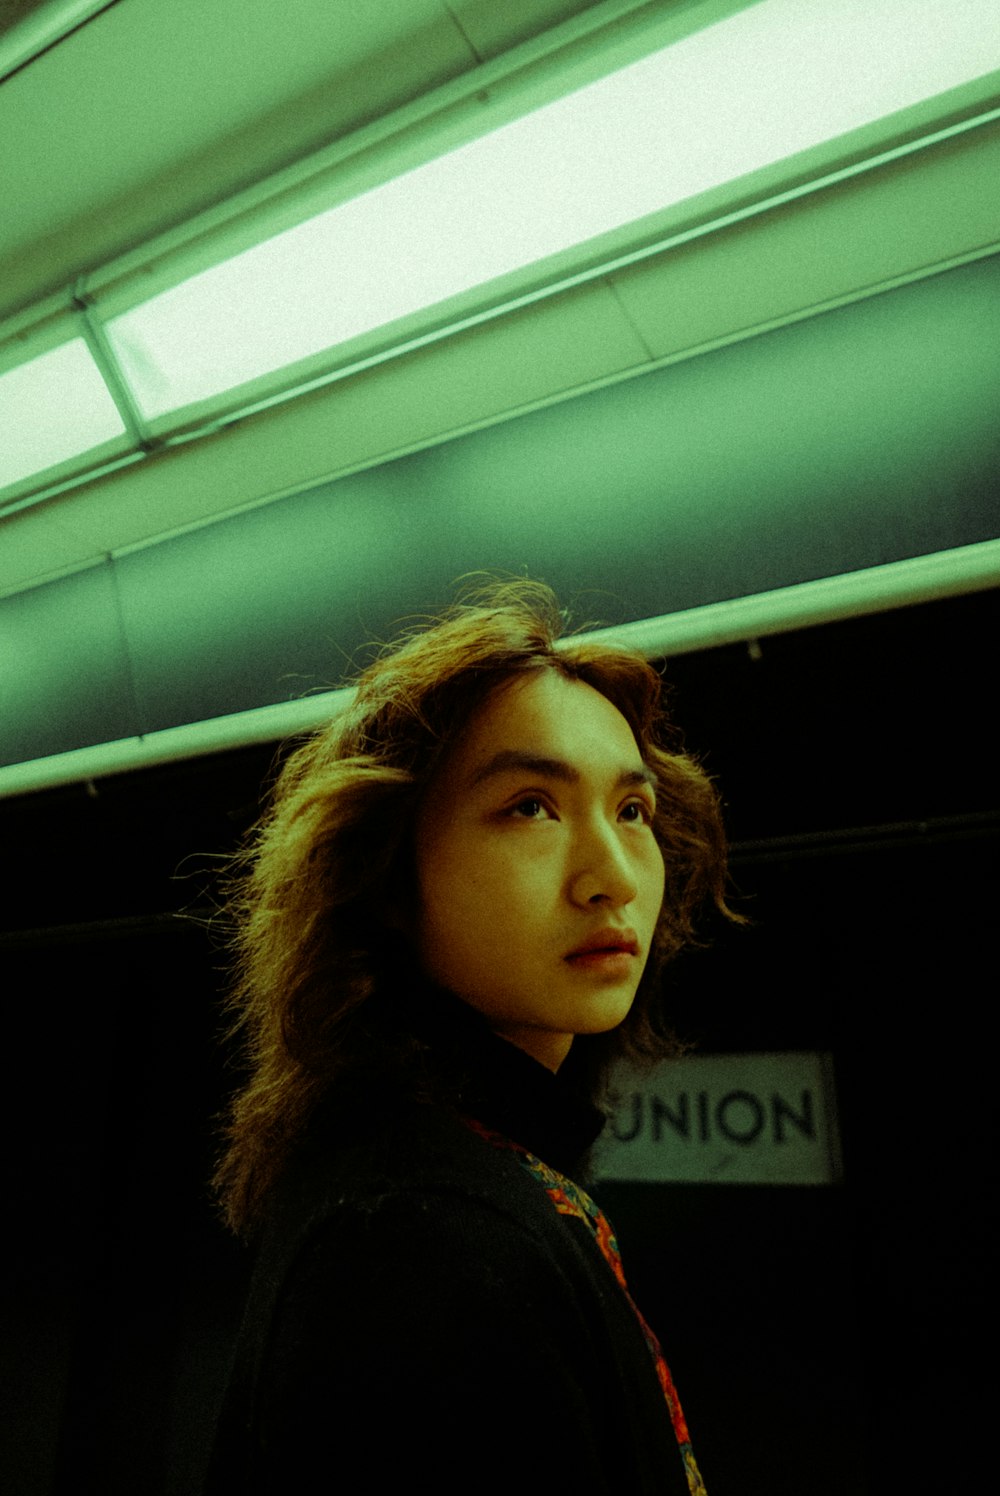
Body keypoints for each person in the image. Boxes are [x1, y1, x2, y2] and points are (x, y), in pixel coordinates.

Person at [204, 579, 737, 1495]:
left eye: (633, 811)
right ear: (383, 873)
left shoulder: (451, 1178)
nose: (612, 876)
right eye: (531, 806)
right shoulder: (421, 1239)